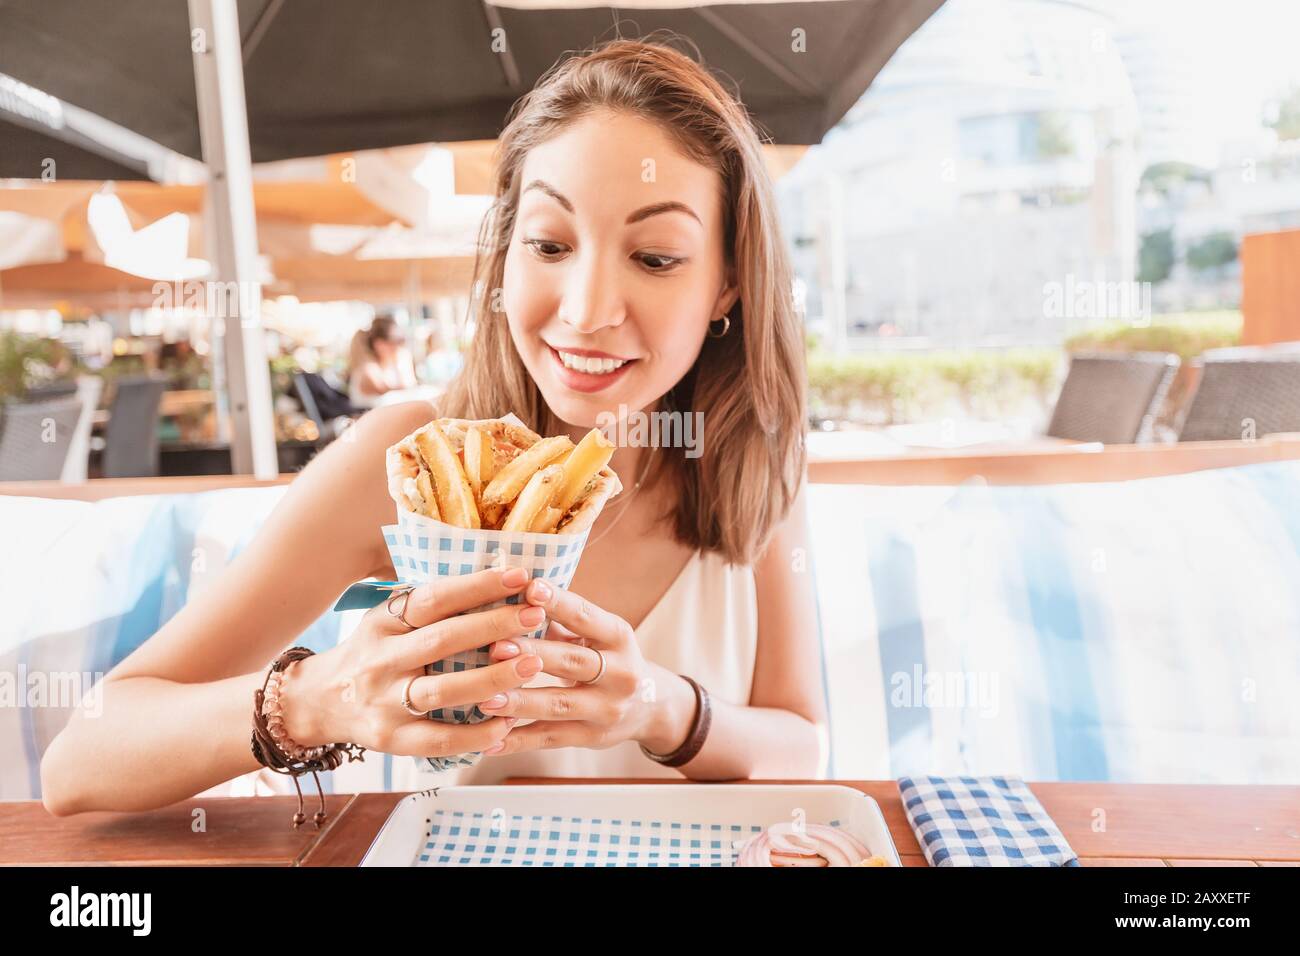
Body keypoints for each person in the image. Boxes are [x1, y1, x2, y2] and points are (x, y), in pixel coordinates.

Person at [40, 38, 825, 815]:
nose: (586, 309)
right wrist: (318, 699)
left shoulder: (750, 459)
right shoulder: (410, 459)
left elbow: (803, 744)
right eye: (550, 244)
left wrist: (663, 709)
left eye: (654, 257)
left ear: (727, 284)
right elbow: (82, 763)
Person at [347, 314, 417, 408]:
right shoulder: (368, 368)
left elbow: (411, 387)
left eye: (402, 339)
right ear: (379, 344)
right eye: (396, 340)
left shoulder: (393, 364)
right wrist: (401, 363)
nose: (400, 345)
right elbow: (399, 389)